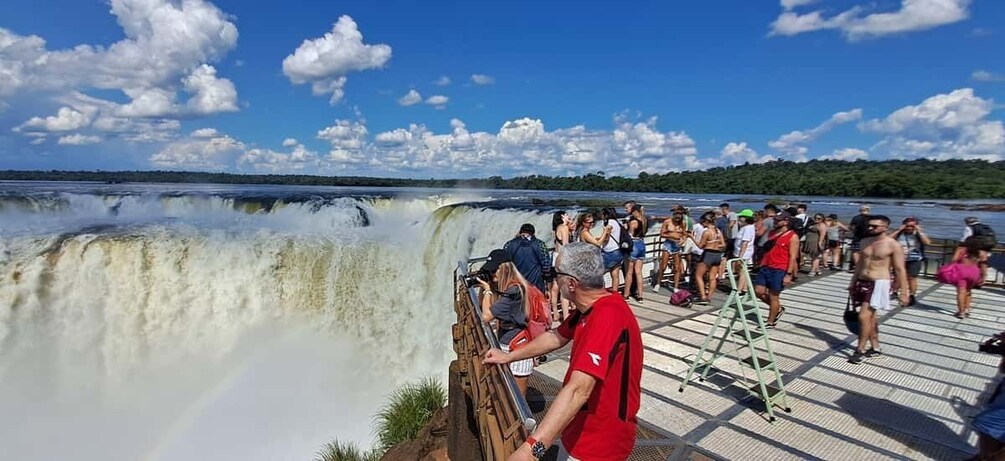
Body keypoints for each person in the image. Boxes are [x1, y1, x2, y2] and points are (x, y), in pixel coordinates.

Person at [483, 242, 643, 461]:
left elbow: (579, 390)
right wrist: (509, 356)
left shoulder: (608, 317)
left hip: (600, 442)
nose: (552, 278)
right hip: (580, 426)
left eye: (555, 272)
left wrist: (532, 449)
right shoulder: (592, 307)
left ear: (571, 283)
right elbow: (555, 337)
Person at [476, 249, 539, 396]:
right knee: (506, 393)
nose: (491, 275)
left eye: (493, 271)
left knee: (517, 397)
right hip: (506, 342)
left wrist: (487, 291)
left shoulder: (515, 291)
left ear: (504, 268)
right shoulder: (506, 289)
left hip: (518, 345)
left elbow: (486, 316)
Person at [847, 215, 909, 365]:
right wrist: (852, 282)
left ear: (885, 227)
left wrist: (904, 293)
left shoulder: (892, 245)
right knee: (870, 318)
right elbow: (860, 264)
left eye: (874, 226)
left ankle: (859, 350)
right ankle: (875, 347)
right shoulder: (865, 242)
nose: (870, 228)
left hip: (878, 283)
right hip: (862, 280)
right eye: (869, 226)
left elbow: (900, 269)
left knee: (863, 317)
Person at [754, 211, 799, 327]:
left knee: (774, 295)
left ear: (786, 222)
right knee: (758, 291)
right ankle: (777, 309)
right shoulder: (772, 233)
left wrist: (789, 274)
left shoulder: (793, 237)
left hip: (779, 268)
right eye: (775, 220)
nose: (775, 221)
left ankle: (770, 320)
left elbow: (793, 256)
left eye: (778, 220)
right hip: (766, 266)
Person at [890, 217, 931, 307]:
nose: (909, 228)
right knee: (897, 276)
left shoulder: (918, 234)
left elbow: (927, 242)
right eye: (907, 226)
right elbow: (888, 239)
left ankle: (912, 295)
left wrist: (919, 231)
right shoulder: (900, 233)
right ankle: (895, 292)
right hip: (899, 257)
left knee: (912, 278)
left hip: (915, 258)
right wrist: (899, 229)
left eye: (912, 226)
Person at [504, 223, 553, 294]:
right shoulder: (540, 244)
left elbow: (505, 265)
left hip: (516, 284)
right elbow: (546, 266)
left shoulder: (508, 245)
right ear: (533, 233)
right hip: (536, 284)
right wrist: (548, 285)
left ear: (520, 232)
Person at [694, 212, 725, 305]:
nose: (702, 224)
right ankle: (709, 297)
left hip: (708, 254)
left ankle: (703, 297)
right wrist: (715, 244)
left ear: (706, 222)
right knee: (712, 278)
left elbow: (700, 246)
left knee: (698, 275)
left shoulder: (707, 232)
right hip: (717, 255)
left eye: (702, 222)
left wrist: (691, 237)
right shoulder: (718, 231)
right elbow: (723, 244)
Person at [653, 213, 685, 293]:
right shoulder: (667, 222)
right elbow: (662, 234)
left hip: (677, 245)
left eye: (679, 219)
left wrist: (683, 241)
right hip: (668, 244)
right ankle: (658, 283)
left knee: (677, 267)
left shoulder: (683, 223)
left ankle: (676, 286)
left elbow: (684, 234)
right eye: (676, 218)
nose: (677, 220)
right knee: (663, 265)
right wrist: (671, 237)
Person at [953, 237, 985, 319]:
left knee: (961, 291)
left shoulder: (961, 249)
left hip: (962, 271)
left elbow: (953, 260)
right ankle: (967, 309)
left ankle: (961, 312)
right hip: (974, 272)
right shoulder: (981, 252)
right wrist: (983, 276)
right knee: (968, 291)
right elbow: (984, 265)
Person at [958, 217, 995, 285]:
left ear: (967, 222)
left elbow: (964, 239)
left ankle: (972, 280)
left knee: (973, 263)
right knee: (983, 263)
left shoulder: (969, 227)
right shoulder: (986, 227)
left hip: (976, 248)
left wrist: (959, 247)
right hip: (987, 247)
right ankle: (983, 279)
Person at [550, 211, 573, 321]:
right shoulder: (564, 228)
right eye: (566, 214)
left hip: (555, 257)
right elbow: (566, 246)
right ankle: (566, 315)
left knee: (555, 287)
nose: (569, 215)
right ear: (562, 217)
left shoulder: (557, 228)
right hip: (563, 258)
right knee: (564, 288)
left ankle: (555, 312)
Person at [623, 205, 648, 303]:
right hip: (642, 244)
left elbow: (630, 235)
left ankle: (626, 295)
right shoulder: (645, 221)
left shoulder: (634, 222)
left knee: (629, 272)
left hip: (634, 245)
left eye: (632, 212)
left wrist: (626, 227)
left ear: (635, 212)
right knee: (638, 272)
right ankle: (640, 296)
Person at [599, 208, 626, 291]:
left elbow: (606, 239)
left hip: (609, 252)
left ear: (606, 215)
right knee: (615, 275)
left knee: (598, 274)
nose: (601, 216)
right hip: (618, 251)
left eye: (602, 214)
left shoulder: (608, 224)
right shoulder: (617, 223)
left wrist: (599, 240)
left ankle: (601, 293)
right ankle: (615, 292)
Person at [732, 209, 756, 295]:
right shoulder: (747, 227)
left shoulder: (748, 228)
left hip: (744, 254)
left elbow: (745, 243)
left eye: (741, 217)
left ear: (746, 218)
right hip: (741, 252)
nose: (739, 218)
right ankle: (744, 289)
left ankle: (738, 290)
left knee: (742, 272)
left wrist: (740, 257)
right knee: (742, 271)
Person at [848, 205, 872, 272]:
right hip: (868, 238)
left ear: (860, 210)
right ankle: (865, 267)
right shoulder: (871, 218)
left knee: (855, 252)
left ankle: (857, 267)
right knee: (866, 253)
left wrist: (853, 231)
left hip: (857, 237)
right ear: (868, 210)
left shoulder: (856, 218)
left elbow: (851, 227)